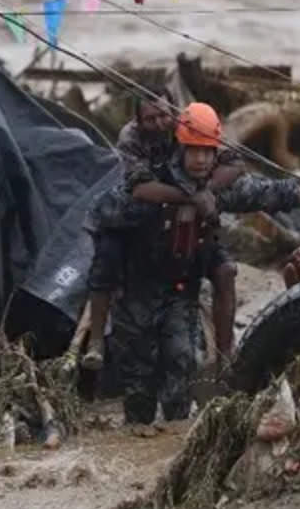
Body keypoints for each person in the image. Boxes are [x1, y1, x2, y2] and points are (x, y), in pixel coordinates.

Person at [97, 102, 300, 426]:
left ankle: (175, 432)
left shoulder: (217, 188)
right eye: (194, 151)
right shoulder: (150, 182)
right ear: (180, 148)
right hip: (136, 296)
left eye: (208, 152)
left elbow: (277, 193)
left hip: (179, 293)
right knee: (139, 392)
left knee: (183, 363)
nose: (201, 159)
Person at [82, 90, 243, 372]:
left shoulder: (190, 124)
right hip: (136, 210)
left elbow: (236, 162)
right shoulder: (130, 138)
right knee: (107, 259)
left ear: (174, 112)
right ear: (138, 120)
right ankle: (96, 340)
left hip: (188, 209)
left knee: (224, 269)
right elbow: (141, 188)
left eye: (163, 115)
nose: (158, 124)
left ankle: (225, 355)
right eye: (150, 119)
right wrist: (192, 197)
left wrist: (207, 191)